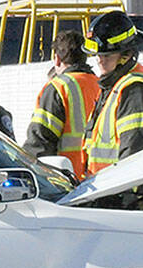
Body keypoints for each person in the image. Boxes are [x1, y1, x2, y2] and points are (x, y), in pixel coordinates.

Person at [81, 9, 143, 194]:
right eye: (98, 55)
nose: (100, 61)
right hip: (111, 196)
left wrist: (124, 201)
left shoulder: (134, 89)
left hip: (131, 202)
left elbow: (135, 155)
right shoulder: (115, 86)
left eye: (107, 56)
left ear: (125, 55)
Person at [23, 30, 101, 178]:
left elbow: (39, 141)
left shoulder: (57, 88)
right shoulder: (101, 85)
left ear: (57, 59)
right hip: (99, 178)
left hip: (67, 181)